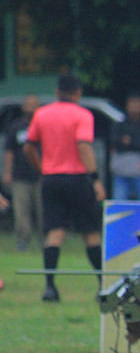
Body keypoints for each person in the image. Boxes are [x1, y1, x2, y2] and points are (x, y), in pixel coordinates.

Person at [24, 74, 105, 302]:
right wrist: (96, 179)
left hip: (51, 178)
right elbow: (84, 146)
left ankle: (50, 288)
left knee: (55, 232)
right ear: (78, 93)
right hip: (78, 178)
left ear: (57, 91)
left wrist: (42, 169)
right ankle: (102, 287)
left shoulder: (42, 113)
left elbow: (28, 147)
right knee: (90, 232)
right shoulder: (82, 115)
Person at [3, 94, 43, 251]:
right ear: (23, 107)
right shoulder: (16, 126)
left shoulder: (43, 125)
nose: (31, 108)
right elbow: (9, 151)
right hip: (20, 176)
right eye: (28, 104)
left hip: (41, 175)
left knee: (43, 211)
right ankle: (22, 240)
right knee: (21, 211)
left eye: (34, 104)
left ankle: (45, 241)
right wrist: (7, 172)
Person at [110, 92, 140, 201]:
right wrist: (138, 143)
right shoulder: (119, 126)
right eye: (132, 105)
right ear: (127, 106)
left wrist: (131, 142)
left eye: (137, 105)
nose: (134, 108)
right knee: (119, 205)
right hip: (121, 174)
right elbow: (115, 142)